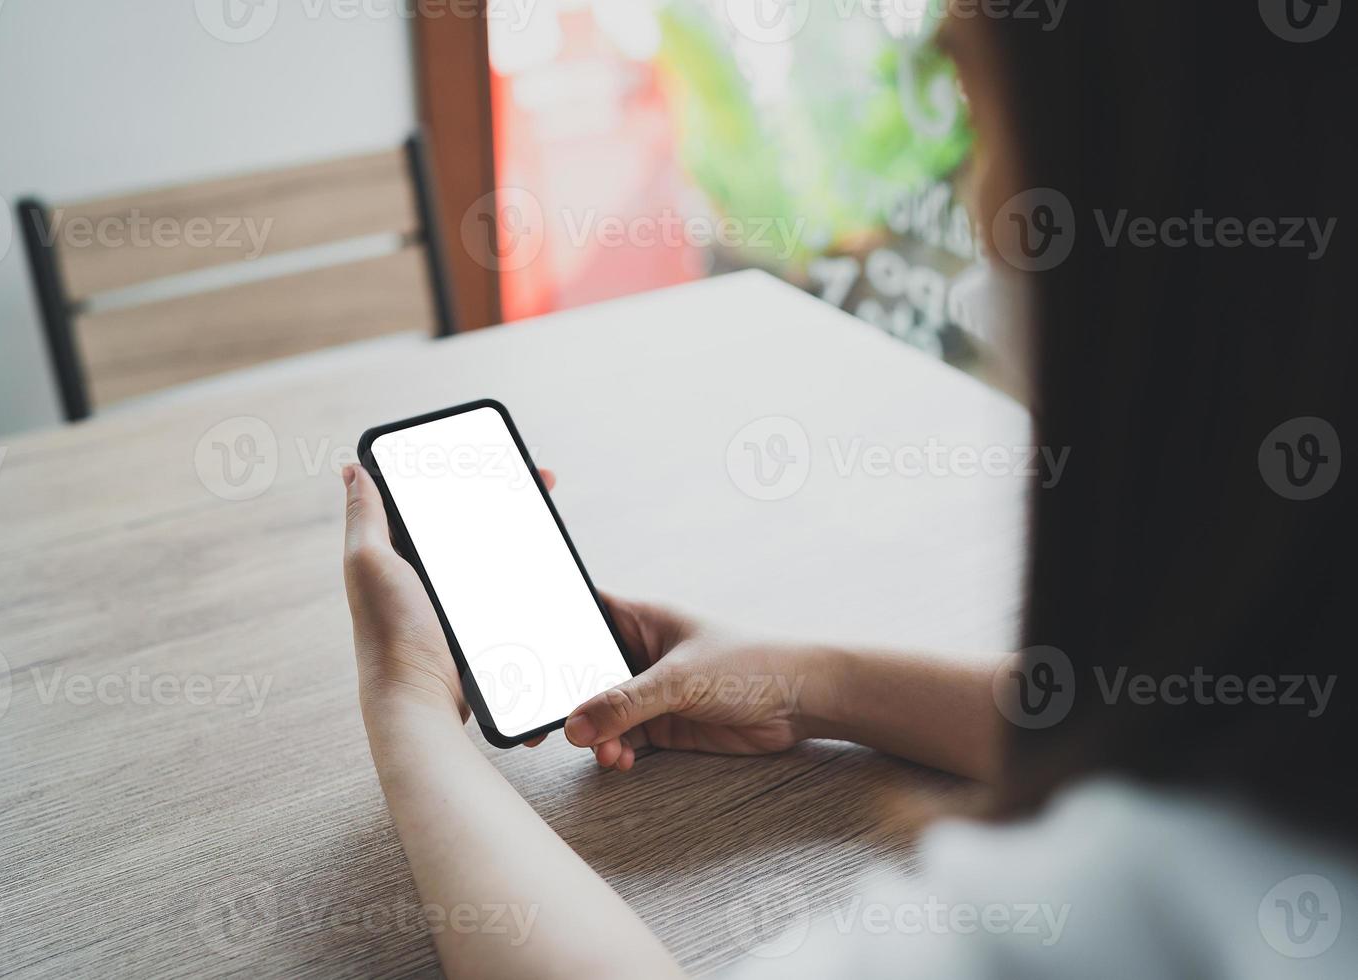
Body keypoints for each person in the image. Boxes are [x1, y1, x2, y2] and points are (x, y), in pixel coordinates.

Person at [340, 5, 1354, 977]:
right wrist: (813, 680)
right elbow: (1199, 718)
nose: (985, 202)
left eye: (974, 93)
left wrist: (411, 707)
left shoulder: (1132, 913)